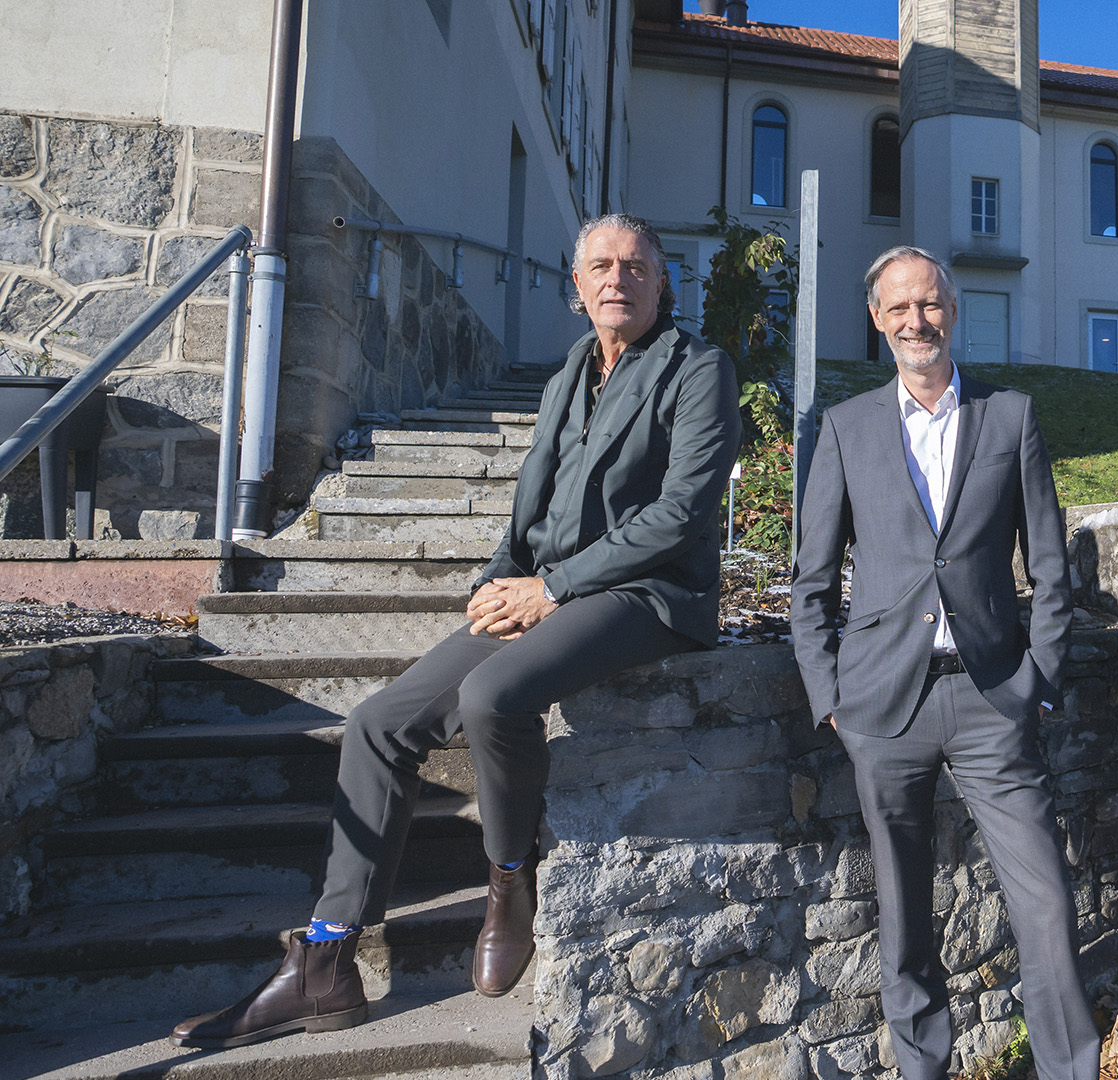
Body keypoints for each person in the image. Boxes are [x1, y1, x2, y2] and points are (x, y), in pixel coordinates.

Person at [172, 214, 742, 1048]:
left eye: (635, 266)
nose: (617, 278)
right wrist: (496, 582)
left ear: (663, 283)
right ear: (575, 285)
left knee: (493, 695)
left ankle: (509, 880)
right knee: (376, 723)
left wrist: (553, 586)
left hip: (648, 595)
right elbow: (529, 514)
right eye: (600, 266)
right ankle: (328, 960)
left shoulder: (697, 369)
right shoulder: (566, 379)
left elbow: (682, 514)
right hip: (549, 591)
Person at [788, 246, 1098, 1080]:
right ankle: (923, 1069)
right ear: (877, 322)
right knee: (903, 915)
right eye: (898, 309)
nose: (915, 321)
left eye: (928, 305)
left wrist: (1039, 678)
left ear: (952, 312)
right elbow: (811, 580)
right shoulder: (846, 429)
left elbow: (1050, 566)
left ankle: (1070, 1068)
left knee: (1045, 901)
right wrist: (830, 698)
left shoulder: (1011, 416)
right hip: (882, 708)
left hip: (994, 697)